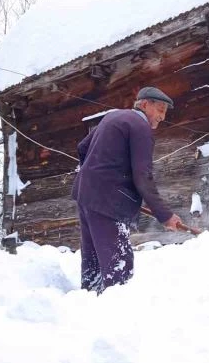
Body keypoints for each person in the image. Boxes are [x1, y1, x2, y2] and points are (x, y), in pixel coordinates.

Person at [72, 87, 183, 293]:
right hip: (109, 202)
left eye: (165, 112)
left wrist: (93, 176)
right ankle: (118, 309)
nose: (162, 116)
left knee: (94, 258)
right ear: (143, 104)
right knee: (118, 264)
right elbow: (143, 176)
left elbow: (82, 147)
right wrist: (165, 215)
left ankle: (87, 299)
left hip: (85, 194)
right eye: (159, 109)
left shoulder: (112, 117)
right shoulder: (140, 127)